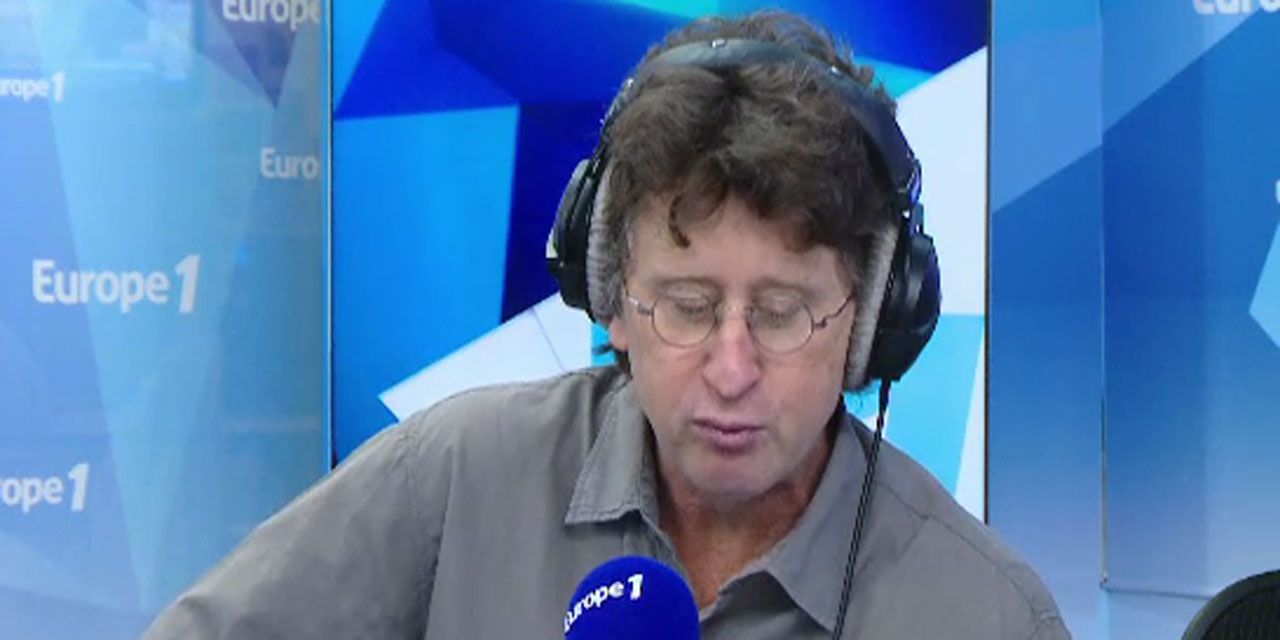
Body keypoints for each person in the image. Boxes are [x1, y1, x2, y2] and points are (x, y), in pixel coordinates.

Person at [145, 10, 1069, 640]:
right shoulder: (452, 480)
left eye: (783, 312)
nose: (731, 368)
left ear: (870, 316)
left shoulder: (983, 613)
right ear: (612, 296)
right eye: (687, 306)